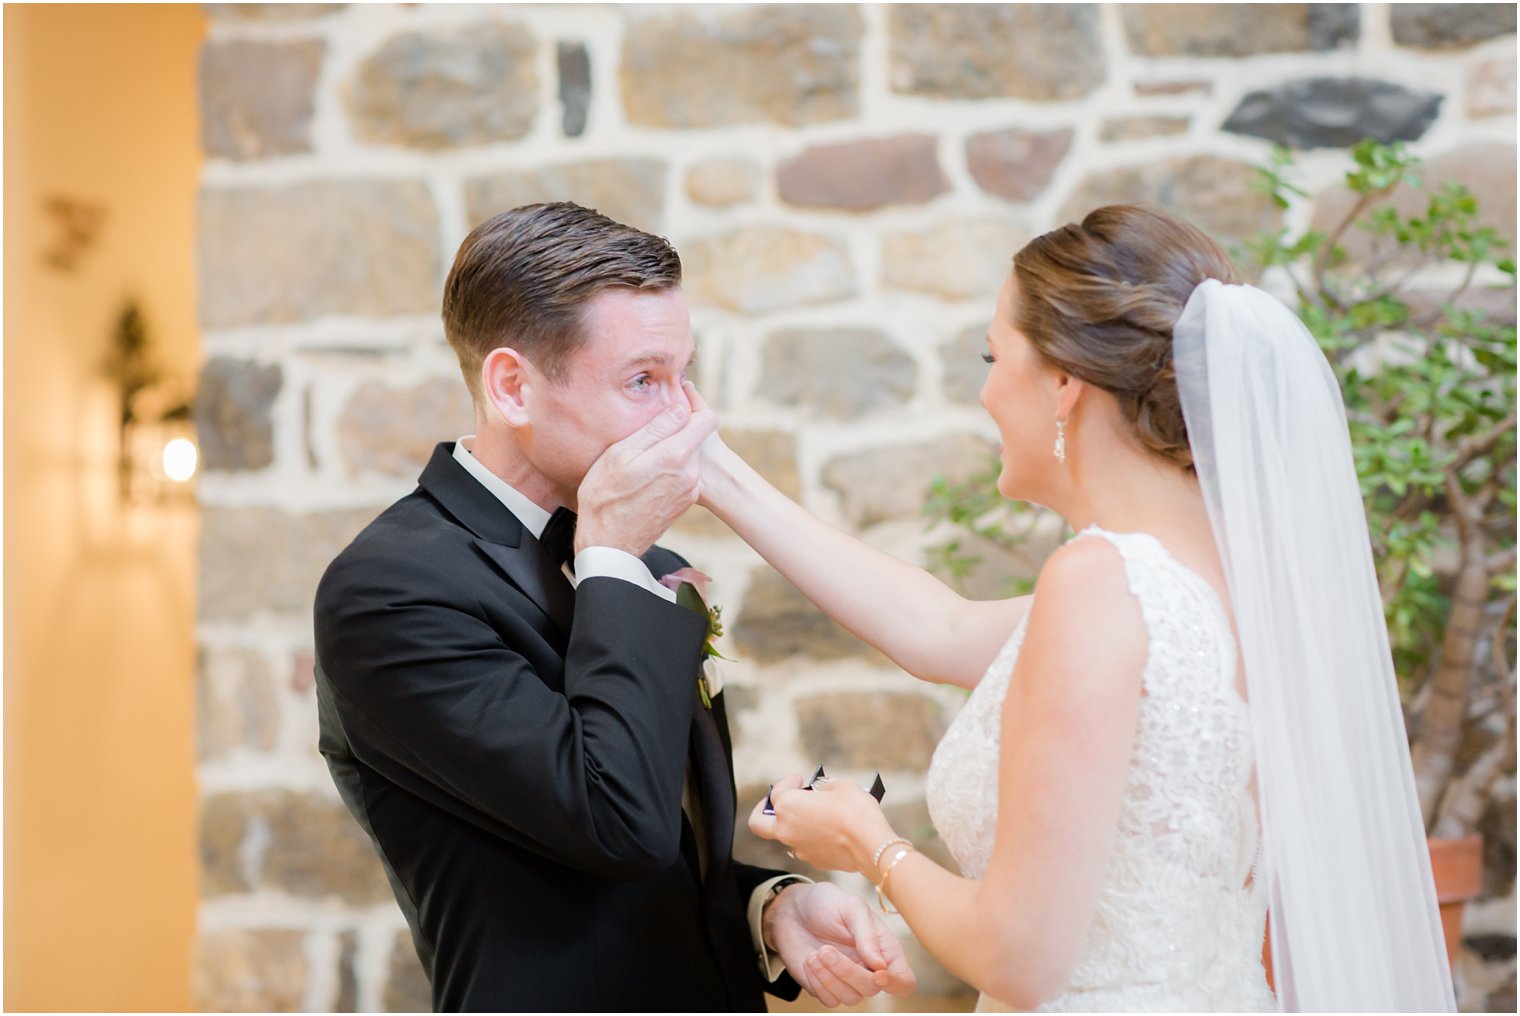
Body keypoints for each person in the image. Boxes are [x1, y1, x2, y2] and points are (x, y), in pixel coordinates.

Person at [686, 205, 1455, 1010]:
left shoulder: (1100, 582)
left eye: (994, 356)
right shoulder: (1227, 577)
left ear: (1062, 384)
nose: (984, 392)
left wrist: (867, 841)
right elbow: (937, 628)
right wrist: (716, 471)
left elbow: (1016, 957)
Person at [312, 202, 915, 1012]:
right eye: (643, 381)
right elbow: (615, 822)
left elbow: (664, 854)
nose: (686, 418)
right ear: (513, 386)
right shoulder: (391, 591)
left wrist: (767, 907)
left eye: (682, 376)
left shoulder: (645, 564)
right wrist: (609, 557)